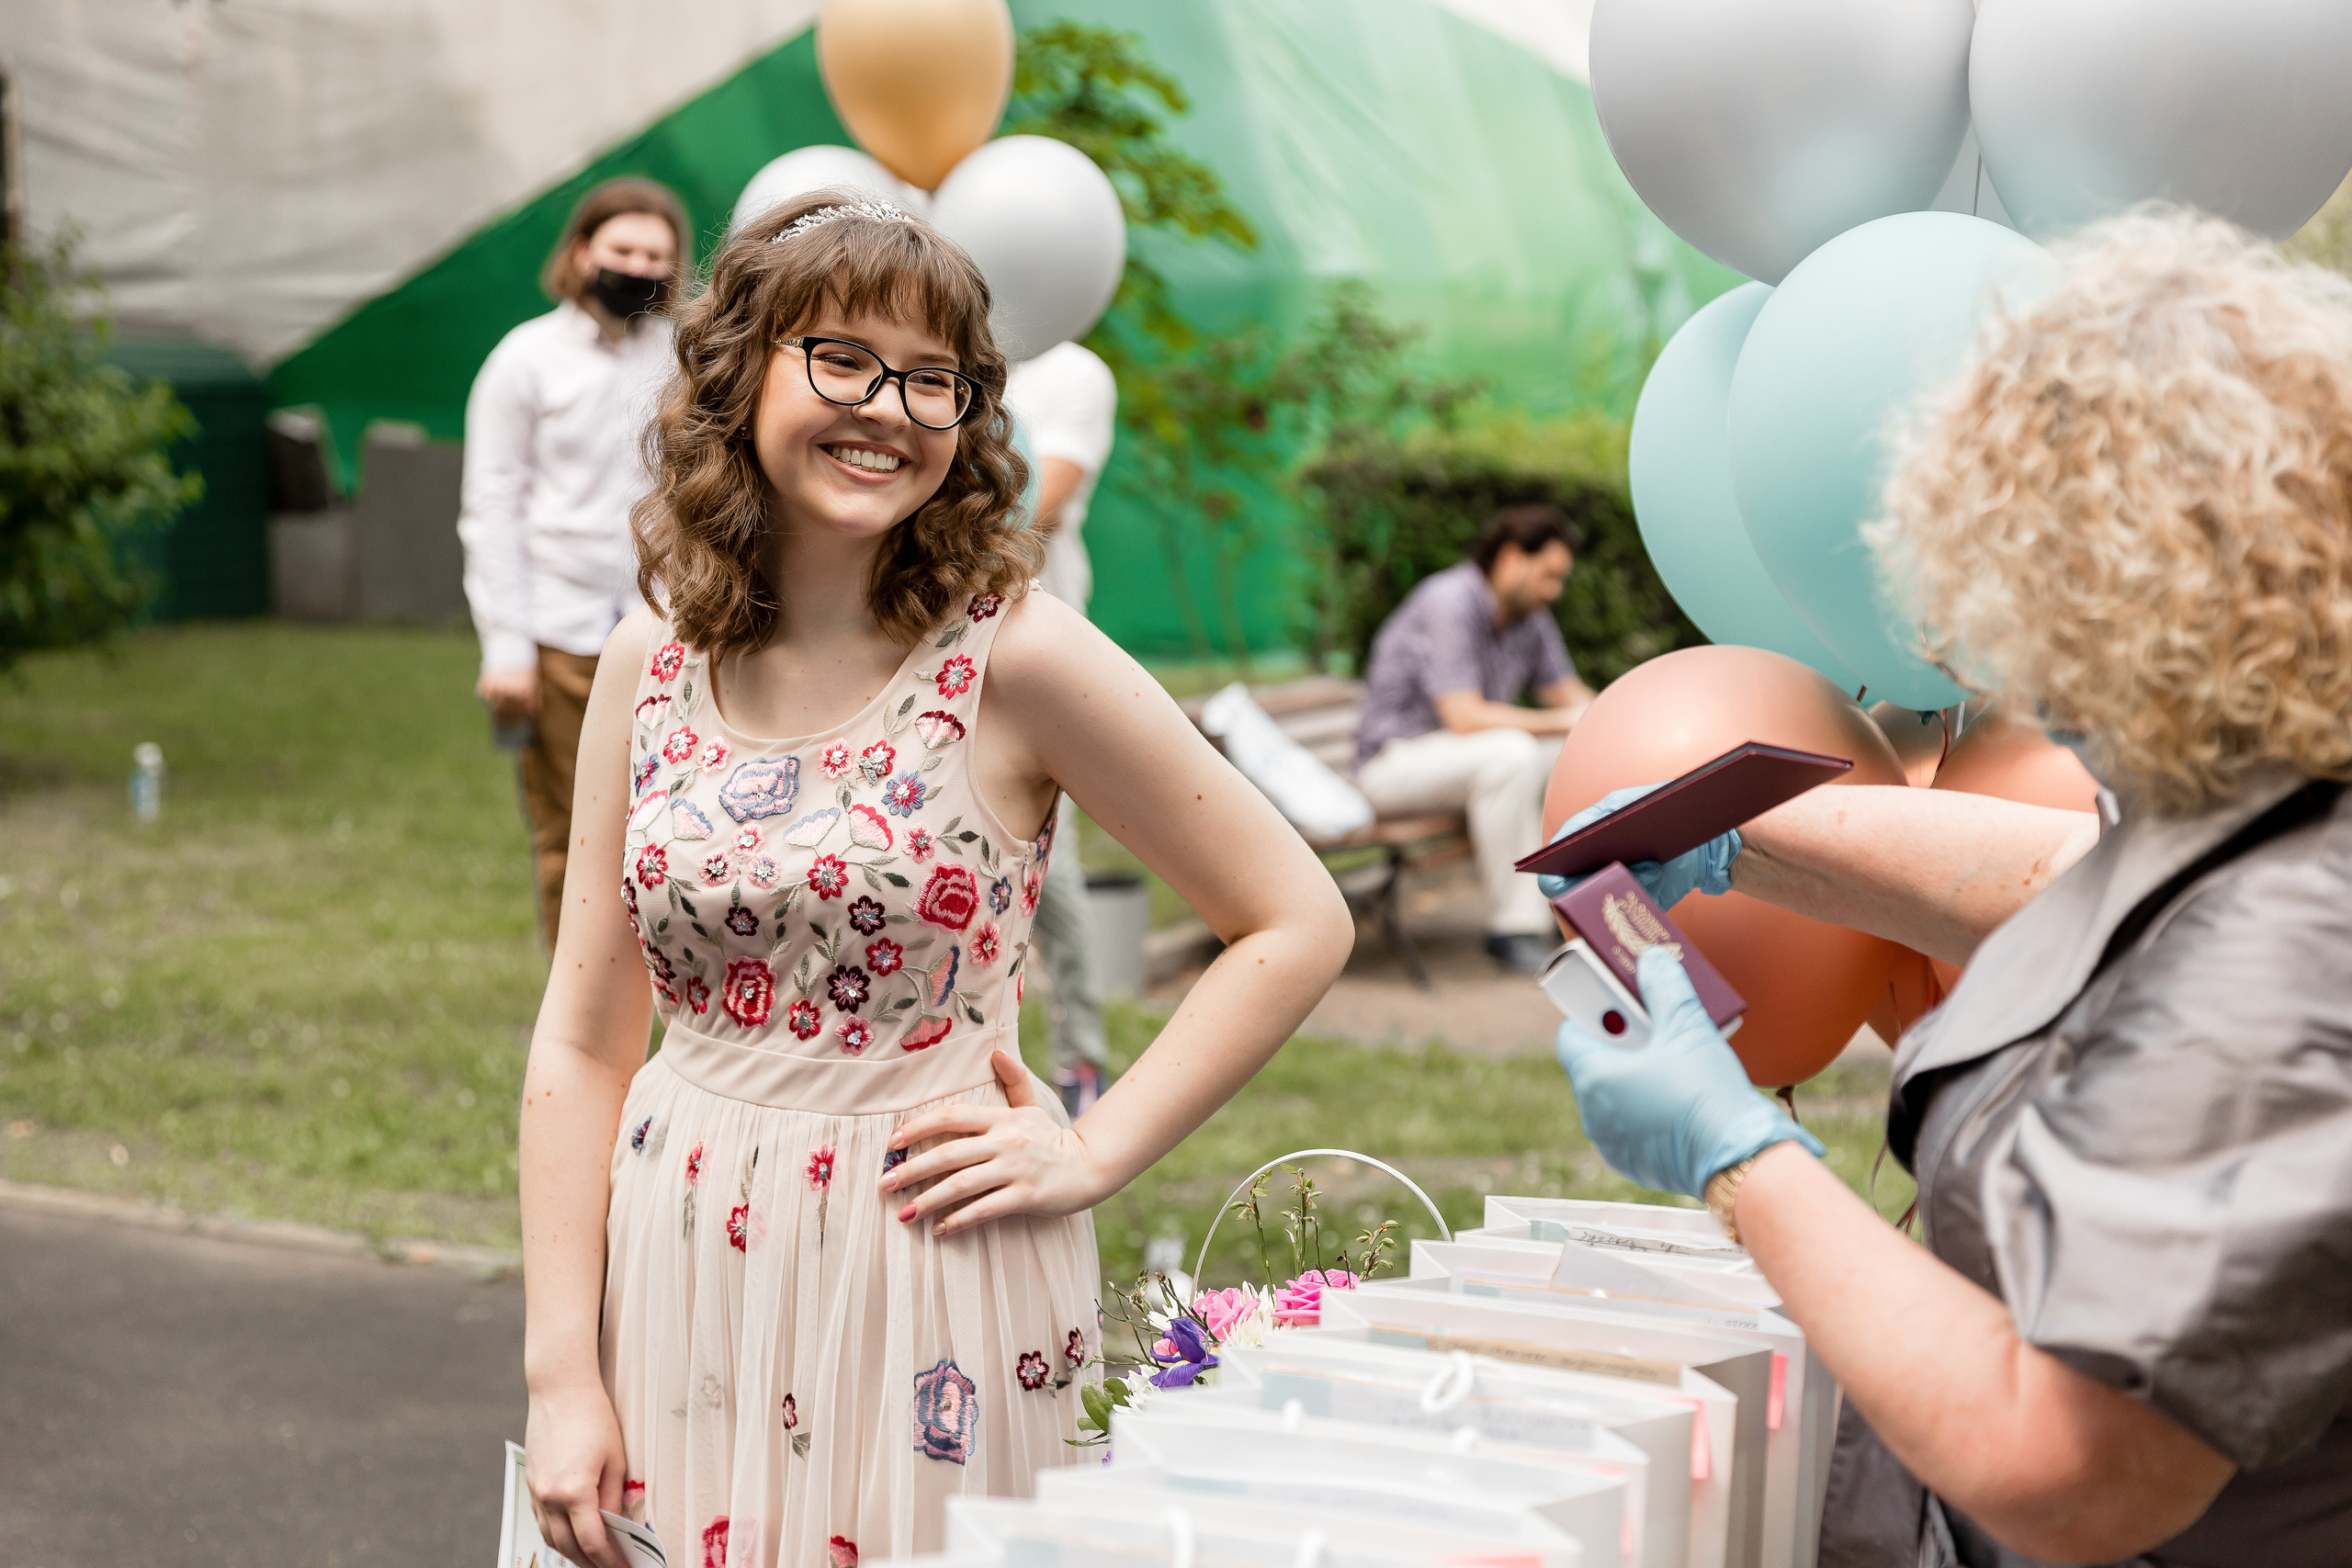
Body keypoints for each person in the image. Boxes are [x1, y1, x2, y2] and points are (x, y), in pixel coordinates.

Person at [516, 191, 1354, 1567]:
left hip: (930, 1268)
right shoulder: (647, 655)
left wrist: (1095, 1143)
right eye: (840, 357)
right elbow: (580, 1034)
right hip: (676, 1257)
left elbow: (1294, 917)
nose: (889, 407)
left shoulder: (1019, 655)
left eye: (932, 378)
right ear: (740, 376)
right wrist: (562, 1368)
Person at [1546, 210, 2352, 1566]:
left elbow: (2070, 1469)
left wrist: (1734, 1150)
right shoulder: (2270, 784)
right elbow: (2081, 882)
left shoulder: (2281, 952)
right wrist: (1759, 838)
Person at [458, 176, 686, 948]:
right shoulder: (525, 360)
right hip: (559, 639)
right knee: (571, 836)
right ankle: (576, 1009)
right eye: (624, 249)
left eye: (656, 255)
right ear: (583, 251)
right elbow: (492, 505)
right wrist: (508, 646)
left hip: (667, 632)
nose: (639, 266)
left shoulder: (685, 361)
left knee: (669, 833)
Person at [1353, 504, 1598, 974]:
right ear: (1510, 557)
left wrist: (1613, 722)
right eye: (1548, 575)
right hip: (1392, 763)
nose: (1555, 590)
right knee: (1513, 755)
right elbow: (1464, 717)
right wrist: (1571, 719)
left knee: (1575, 754)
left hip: (1460, 758)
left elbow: (1568, 695)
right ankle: (1517, 927)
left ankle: (1579, 904)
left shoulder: (1530, 614)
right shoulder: (1449, 600)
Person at [1003, 339, 1119, 1112]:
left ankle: (1081, 1058)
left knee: (1051, 866)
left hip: (1031, 645)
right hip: (900, 637)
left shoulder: (1072, 371)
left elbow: (1038, 500)